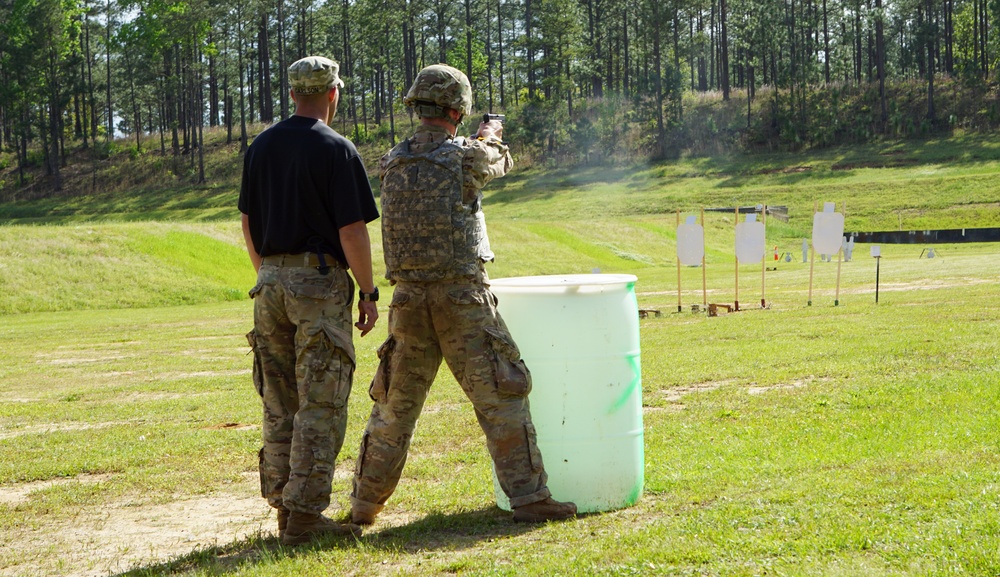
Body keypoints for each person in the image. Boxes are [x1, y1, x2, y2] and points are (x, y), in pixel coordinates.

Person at [350, 64, 577, 525]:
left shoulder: (392, 159)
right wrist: (490, 135)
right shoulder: (465, 156)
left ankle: (362, 507)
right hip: (461, 299)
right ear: (458, 108)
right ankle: (531, 499)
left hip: (409, 302)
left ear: (418, 105)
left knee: (393, 409)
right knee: (502, 396)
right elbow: (497, 161)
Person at [239, 55, 380, 546]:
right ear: (333, 93)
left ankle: (284, 507)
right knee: (321, 402)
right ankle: (304, 517)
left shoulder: (261, 146)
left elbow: (248, 223)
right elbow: (352, 230)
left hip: (270, 283)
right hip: (318, 285)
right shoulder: (336, 148)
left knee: (280, 402)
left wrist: (272, 275)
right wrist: (367, 290)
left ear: (292, 93)